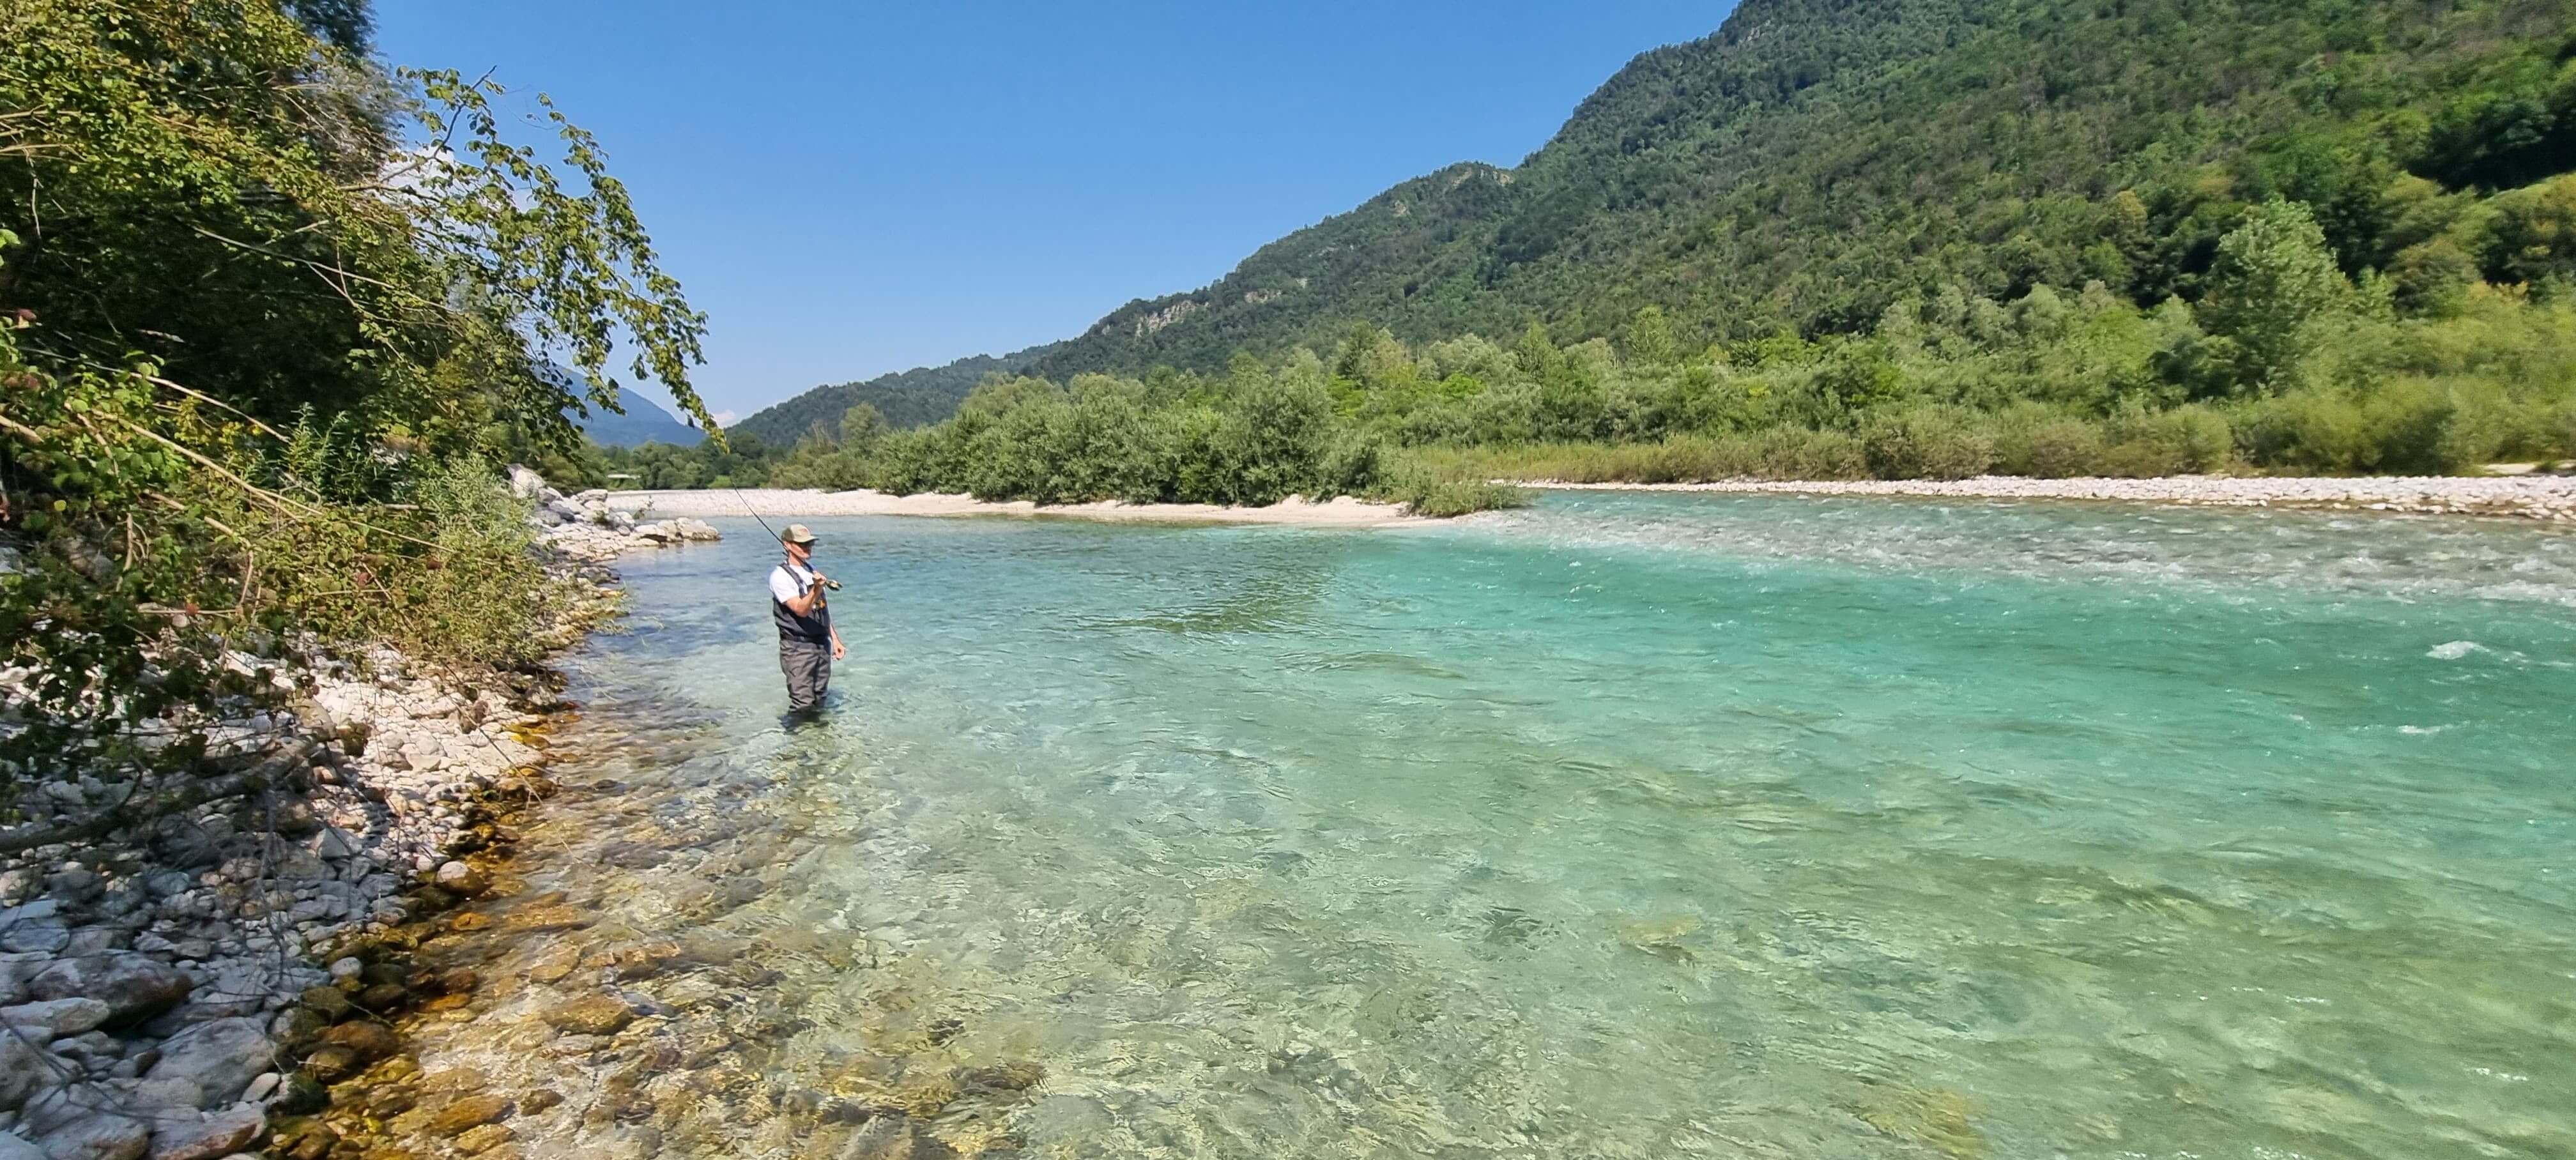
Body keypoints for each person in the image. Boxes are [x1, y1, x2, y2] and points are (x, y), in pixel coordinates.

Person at [767, 524, 845, 712]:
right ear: (787, 545)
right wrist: (816, 588)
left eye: (809, 543)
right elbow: (800, 610)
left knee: (820, 699)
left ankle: (818, 740)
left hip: (821, 644)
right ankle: (796, 739)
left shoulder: (811, 570)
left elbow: (822, 610)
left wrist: (835, 639)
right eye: (801, 544)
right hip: (797, 648)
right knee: (802, 704)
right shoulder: (779, 577)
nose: (807, 547)